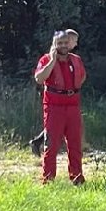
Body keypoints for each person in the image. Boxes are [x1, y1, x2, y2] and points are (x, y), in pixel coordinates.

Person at [33, 28, 86, 184]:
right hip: (53, 107)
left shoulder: (76, 59)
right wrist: (52, 61)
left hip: (73, 106)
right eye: (59, 43)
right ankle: (47, 180)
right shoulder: (45, 59)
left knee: (75, 144)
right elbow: (39, 78)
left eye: (65, 42)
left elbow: (82, 77)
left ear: (69, 43)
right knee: (52, 145)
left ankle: (77, 178)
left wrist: (71, 91)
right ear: (54, 44)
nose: (63, 46)